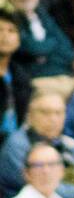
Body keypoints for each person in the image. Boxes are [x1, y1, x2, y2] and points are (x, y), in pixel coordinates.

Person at [0, 90, 74, 198]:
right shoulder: (17, 144)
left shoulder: (65, 143)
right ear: (30, 115)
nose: (53, 119)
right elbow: (46, 187)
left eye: (58, 113)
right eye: (45, 112)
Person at [7, 0, 74, 83]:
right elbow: (33, 48)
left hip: (63, 76)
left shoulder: (41, 14)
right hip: (33, 81)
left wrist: (47, 50)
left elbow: (68, 51)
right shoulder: (7, 18)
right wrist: (53, 45)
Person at [0, 10, 32, 140]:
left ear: (19, 40)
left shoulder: (20, 75)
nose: (4, 36)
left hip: (13, 141)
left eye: (11, 31)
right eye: (0, 30)